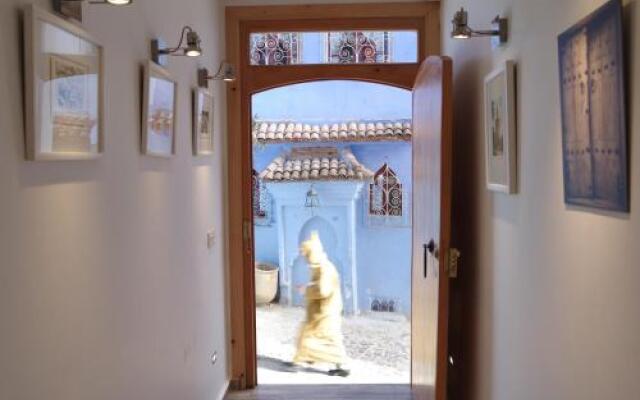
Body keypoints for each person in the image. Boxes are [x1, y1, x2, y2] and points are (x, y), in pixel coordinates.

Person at [288, 232, 350, 377]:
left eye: (307, 255)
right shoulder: (319, 266)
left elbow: (323, 290)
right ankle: (305, 359)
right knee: (310, 335)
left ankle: (341, 365)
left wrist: (305, 290)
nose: (306, 258)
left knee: (325, 338)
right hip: (320, 311)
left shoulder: (325, 268)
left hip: (325, 312)